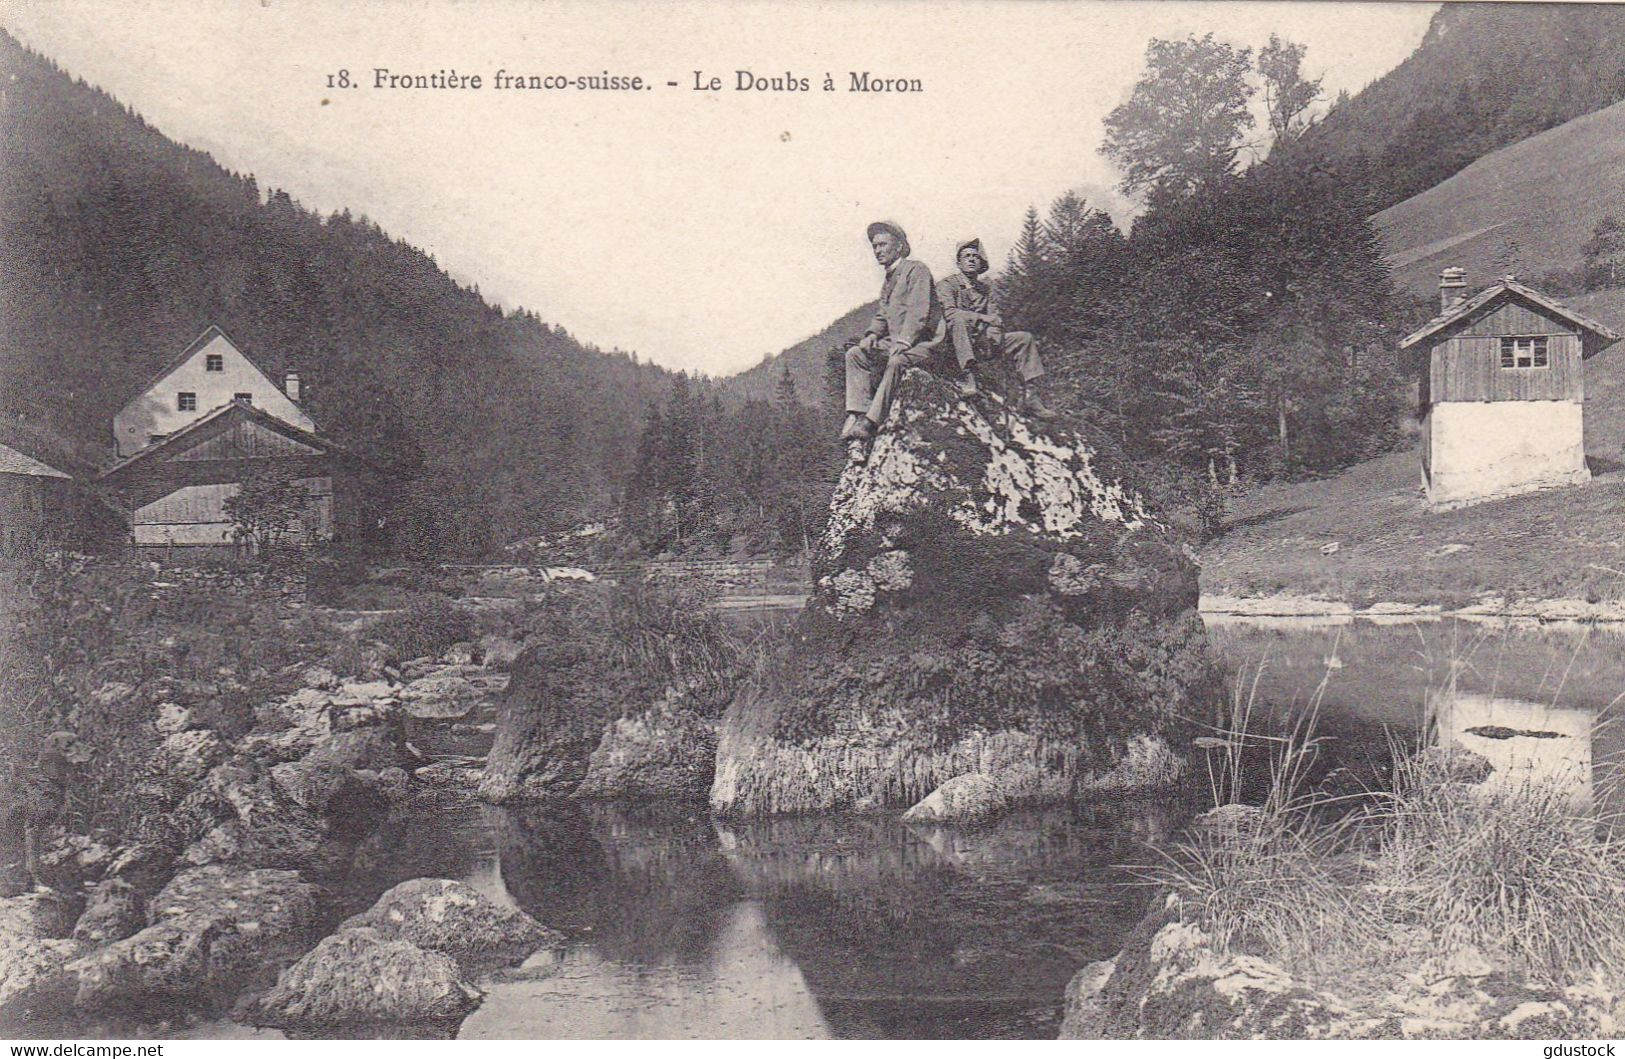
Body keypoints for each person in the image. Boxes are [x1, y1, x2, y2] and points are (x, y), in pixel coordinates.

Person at [841, 221, 944, 463]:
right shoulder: (889, 280)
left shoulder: (916, 270)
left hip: (926, 344)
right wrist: (872, 335)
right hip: (898, 341)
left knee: (897, 361)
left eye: (883, 244)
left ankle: (869, 423)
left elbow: (920, 310)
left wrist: (905, 340)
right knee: (855, 354)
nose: (877, 250)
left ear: (899, 246)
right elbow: (882, 315)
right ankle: (857, 412)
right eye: (874, 246)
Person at [936, 237, 1056, 419]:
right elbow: (949, 313)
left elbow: (996, 319)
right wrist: (982, 319)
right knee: (959, 318)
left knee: (1024, 338)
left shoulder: (986, 288)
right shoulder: (947, 285)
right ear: (959, 263)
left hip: (981, 343)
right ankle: (969, 378)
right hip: (953, 345)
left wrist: (991, 338)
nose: (971, 259)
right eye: (966, 256)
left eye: (975, 257)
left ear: (981, 262)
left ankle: (1031, 397)